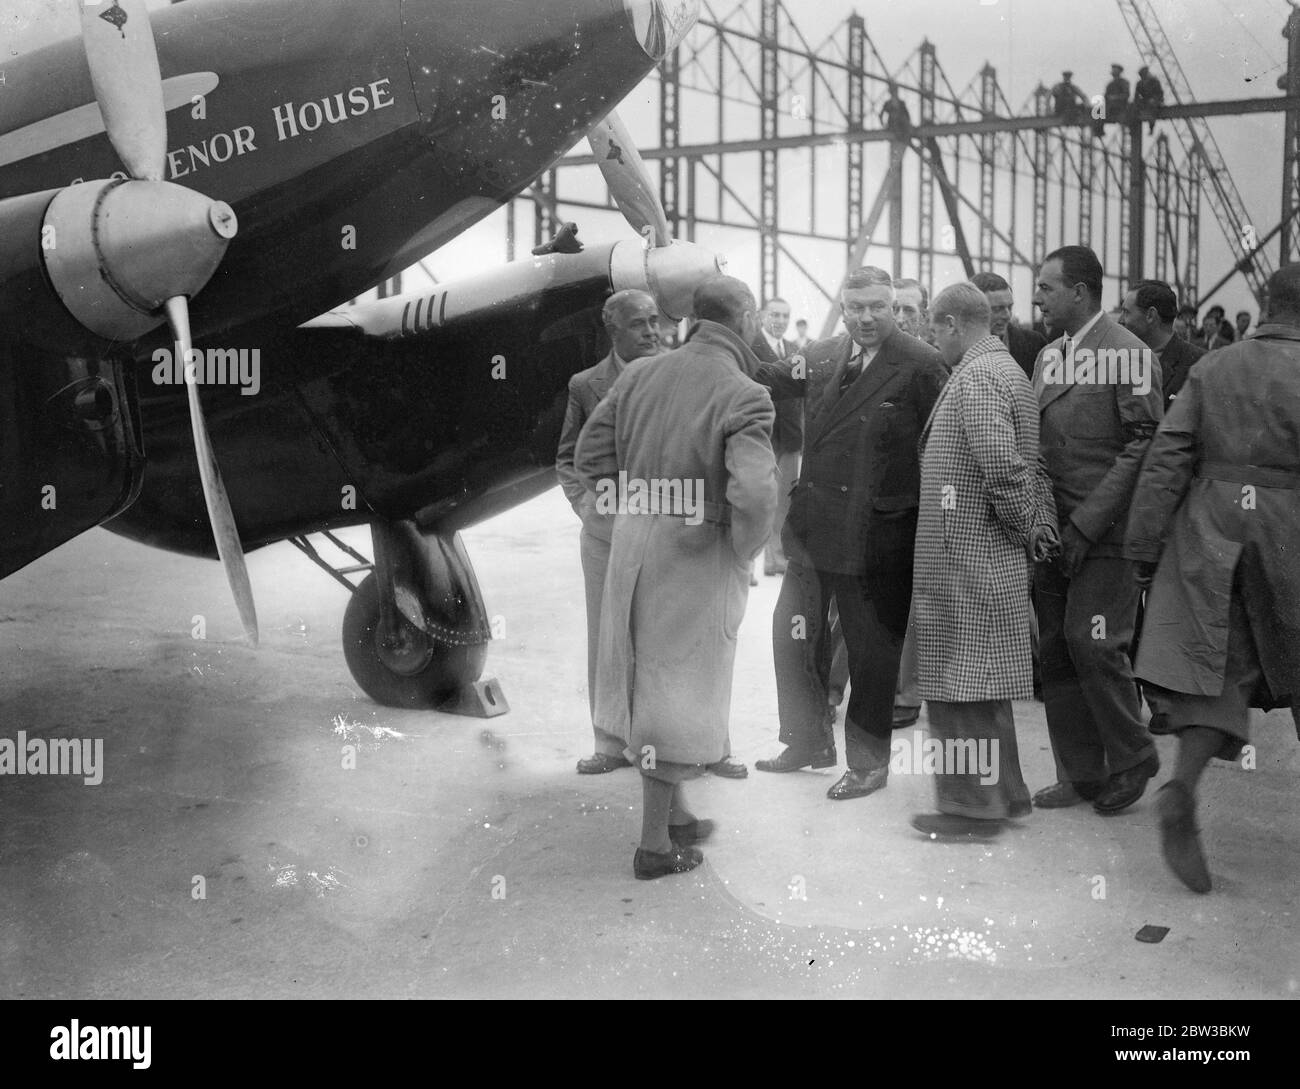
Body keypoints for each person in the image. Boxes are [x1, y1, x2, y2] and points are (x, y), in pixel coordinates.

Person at [574, 275, 778, 879]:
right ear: (743, 320)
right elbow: (757, 494)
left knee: (648, 677)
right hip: (697, 549)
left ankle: (678, 816)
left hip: (634, 545)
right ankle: (654, 848)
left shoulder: (639, 372)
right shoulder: (745, 392)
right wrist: (739, 551)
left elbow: (589, 457)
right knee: (677, 691)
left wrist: (634, 509)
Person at [1124, 263, 1300, 893]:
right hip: (1287, 530)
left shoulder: (1213, 367)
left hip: (1211, 527)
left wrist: (1144, 546)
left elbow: (1167, 454)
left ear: (1267, 303)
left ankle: (1182, 788)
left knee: (1217, 669)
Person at [754, 266, 947, 800]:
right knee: (792, 634)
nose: (864, 317)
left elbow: (938, 453)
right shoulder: (818, 356)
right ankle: (807, 741)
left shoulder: (922, 364)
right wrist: (712, 337)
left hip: (879, 536)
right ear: (842, 306)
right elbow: (764, 374)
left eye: (877, 306)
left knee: (871, 652)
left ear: (894, 306)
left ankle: (869, 763)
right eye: (854, 306)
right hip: (814, 530)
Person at [911, 283, 1059, 839]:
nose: (932, 338)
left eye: (933, 327)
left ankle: (971, 810)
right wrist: (1035, 529)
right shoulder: (1008, 370)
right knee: (985, 678)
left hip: (963, 553)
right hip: (985, 552)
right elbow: (1025, 462)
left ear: (952, 324)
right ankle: (1007, 795)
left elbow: (1001, 464)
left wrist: (1032, 528)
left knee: (957, 686)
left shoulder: (975, 377)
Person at [1030, 245, 1163, 814]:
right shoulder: (1047, 357)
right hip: (1052, 532)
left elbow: (1143, 447)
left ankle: (1134, 756)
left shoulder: (1129, 353)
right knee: (1056, 647)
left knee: (1095, 641)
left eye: (1046, 288)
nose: (1037, 298)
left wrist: (1085, 525)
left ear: (1080, 292)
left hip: (1104, 532)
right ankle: (1080, 772)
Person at [556, 289, 661, 776]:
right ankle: (608, 742)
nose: (651, 332)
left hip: (665, 529)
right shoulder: (584, 385)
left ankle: (667, 744)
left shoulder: (674, 372)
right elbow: (567, 458)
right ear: (612, 328)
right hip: (605, 532)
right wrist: (589, 511)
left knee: (665, 634)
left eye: (655, 321)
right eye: (639, 324)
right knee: (607, 634)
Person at [751, 297, 802, 578]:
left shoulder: (795, 349)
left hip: (791, 434)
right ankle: (748, 562)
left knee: (784, 500)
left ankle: (776, 557)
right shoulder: (751, 345)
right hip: (763, 432)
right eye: (775, 315)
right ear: (762, 316)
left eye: (785, 315)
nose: (780, 320)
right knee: (756, 495)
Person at [1118, 279, 1206, 407]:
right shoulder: (1119, 360)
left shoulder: (1198, 365)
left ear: (1150, 315)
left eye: (1126, 312)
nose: (1120, 320)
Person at [971, 270, 1047, 380]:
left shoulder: (1034, 343)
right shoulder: (958, 349)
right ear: (974, 310)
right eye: (997, 309)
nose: (1007, 315)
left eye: (1010, 307)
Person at [1095, 63, 1129, 136]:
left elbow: (1126, 95)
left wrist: (1115, 97)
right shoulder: (1110, 84)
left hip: (1120, 105)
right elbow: (1106, 96)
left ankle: (1099, 129)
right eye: (1113, 71)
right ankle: (1099, 130)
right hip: (1110, 105)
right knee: (1097, 110)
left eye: (1115, 71)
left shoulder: (1124, 82)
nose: (1113, 72)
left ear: (1119, 72)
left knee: (1104, 111)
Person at [1134, 65, 1163, 132]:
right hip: (1145, 101)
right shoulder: (1140, 83)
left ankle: (1151, 126)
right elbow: (1136, 95)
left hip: (1155, 100)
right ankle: (1134, 127)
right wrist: (1137, 103)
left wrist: (1154, 99)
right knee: (1133, 108)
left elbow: (1159, 93)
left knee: (1152, 108)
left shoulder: (1155, 82)